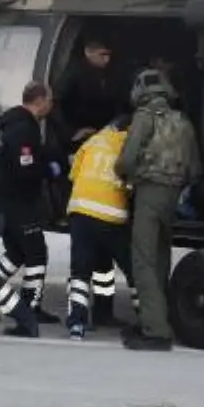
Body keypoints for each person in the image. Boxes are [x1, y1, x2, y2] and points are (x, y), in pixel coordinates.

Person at [115, 67, 200, 351]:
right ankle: (158, 319)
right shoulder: (183, 121)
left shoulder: (144, 118)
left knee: (143, 260)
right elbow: (194, 168)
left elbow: (126, 160)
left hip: (149, 192)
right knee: (161, 258)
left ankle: (155, 330)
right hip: (173, 196)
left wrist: (125, 174)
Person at [0, 81, 62, 337]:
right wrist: (49, 170)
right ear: (40, 101)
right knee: (37, 252)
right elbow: (24, 167)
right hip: (17, 201)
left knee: (17, 251)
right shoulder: (24, 129)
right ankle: (29, 306)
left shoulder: (15, 124)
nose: (52, 105)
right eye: (50, 100)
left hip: (5, 198)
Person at [64, 115, 138, 341]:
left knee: (81, 272)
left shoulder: (93, 141)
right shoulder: (131, 143)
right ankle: (147, 320)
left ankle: (77, 323)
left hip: (81, 213)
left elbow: (73, 174)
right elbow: (132, 183)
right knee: (134, 270)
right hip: (111, 216)